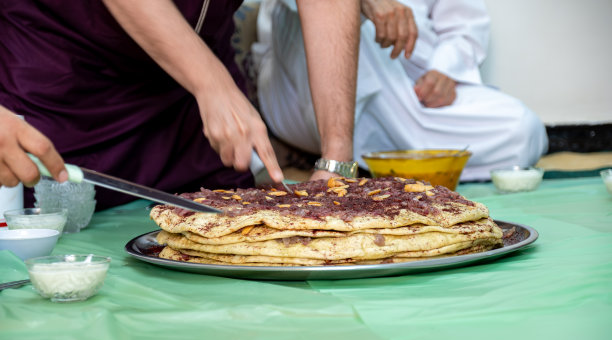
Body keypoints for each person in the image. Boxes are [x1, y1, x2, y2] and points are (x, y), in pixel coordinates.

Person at [0, 0, 360, 209]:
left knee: (222, 243)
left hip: (192, 115)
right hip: (64, 86)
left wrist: (336, 158)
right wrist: (211, 83)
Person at [252, 0, 549, 181]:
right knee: (347, 23)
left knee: (522, 130)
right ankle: (340, 159)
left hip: (407, 80)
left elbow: (463, 25)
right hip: (300, 78)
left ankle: (381, 164)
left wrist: (445, 70)